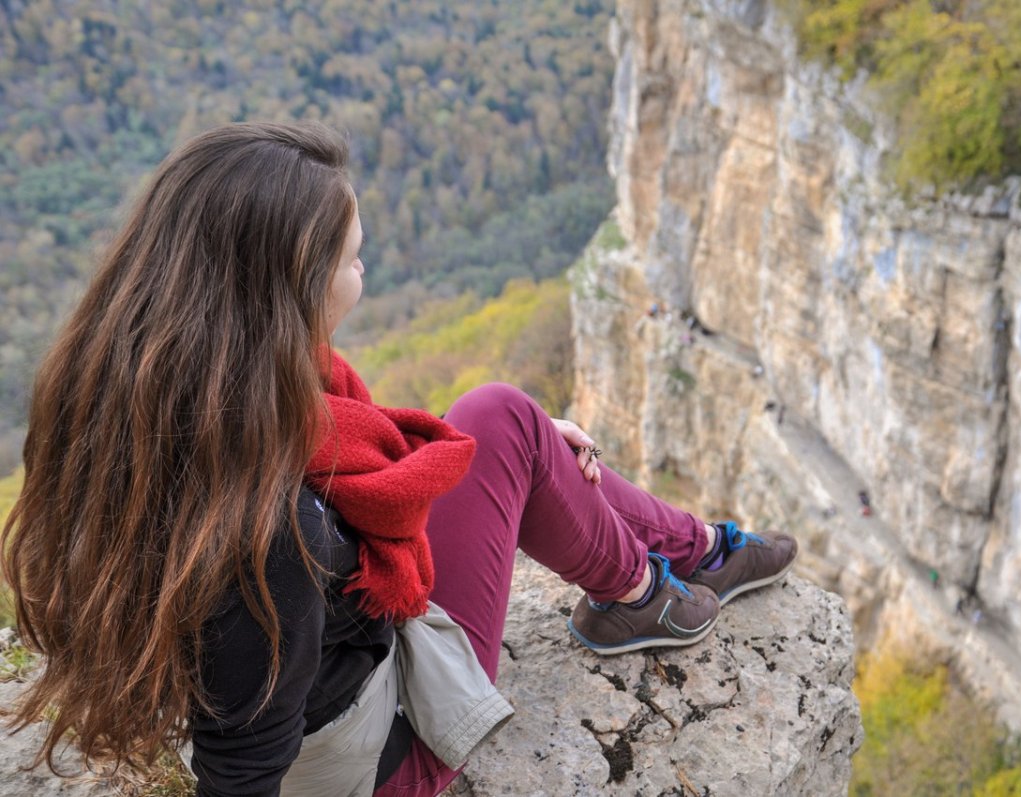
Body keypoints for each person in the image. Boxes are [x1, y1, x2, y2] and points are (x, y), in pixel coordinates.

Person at [0, 122, 797, 797]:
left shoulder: (159, 388)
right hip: (372, 757)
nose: (364, 271)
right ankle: (651, 585)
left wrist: (520, 456)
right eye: (352, 257)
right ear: (292, 285)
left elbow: (338, 458)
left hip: (310, 679)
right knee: (504, 419)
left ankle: (681, 557)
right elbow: (241, 773)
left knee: (502, 423)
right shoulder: (263, 532)